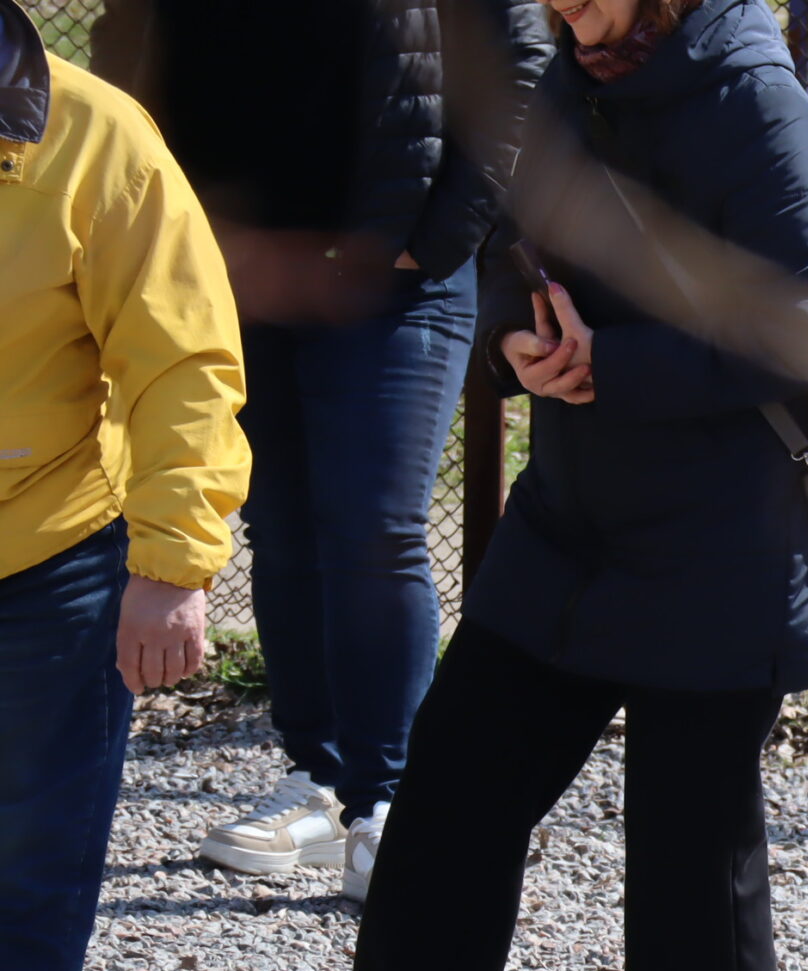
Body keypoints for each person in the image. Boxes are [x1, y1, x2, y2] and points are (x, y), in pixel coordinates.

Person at [223, 0, 808, 971]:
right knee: (453, 784)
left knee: (690, 845)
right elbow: (513, 258)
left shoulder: (750, 97)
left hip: (723, 537)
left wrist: (611, 366)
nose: (562, 4)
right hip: (572, 524)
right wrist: (517, 341)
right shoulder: (574, 75)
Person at [92, 0, 552, 903]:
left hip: (395, 272)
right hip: (231, 266)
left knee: (374, 529)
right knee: (282, 525)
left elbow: (522, 59)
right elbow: (126, 42)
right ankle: (319, 780)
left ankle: (390, 804)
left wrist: (446, 230)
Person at [0, 0, 250, 971]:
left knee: (23, 888)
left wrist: (174, 561)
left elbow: (179, 362)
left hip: (46, 560)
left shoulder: (100, 140)